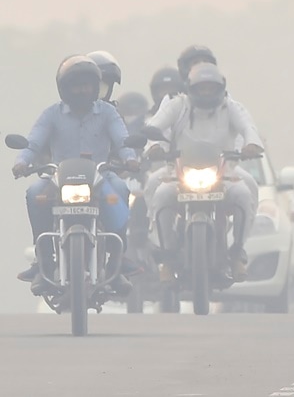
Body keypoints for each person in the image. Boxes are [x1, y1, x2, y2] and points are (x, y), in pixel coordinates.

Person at [12, 55, 140, 294]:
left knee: (121, 191)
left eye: (87, 85)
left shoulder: (108, 113)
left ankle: (117, 260)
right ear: (64, 89)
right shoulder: (51, 114)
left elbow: (123, 140)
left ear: (95, 87)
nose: (82, 91)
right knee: (34, 193)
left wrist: (130, 159)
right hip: (58, 179)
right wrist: (21, 163)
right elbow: (33, 143)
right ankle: (44, 261)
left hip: (100, 177)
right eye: (76, 85)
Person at [143, 62, 264, 281]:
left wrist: (251, 145)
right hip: (180, 173)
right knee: (160, 195)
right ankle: (167, 258)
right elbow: (155, 126)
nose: (206, 93)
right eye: (201, 88)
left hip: (223, 172)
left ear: (221, 88)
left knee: (244, 194)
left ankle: (237, 252)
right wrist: (153, 146)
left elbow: (248, 127)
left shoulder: (231, 107)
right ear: (190, 87)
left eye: (211, 88)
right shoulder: (177, 105)